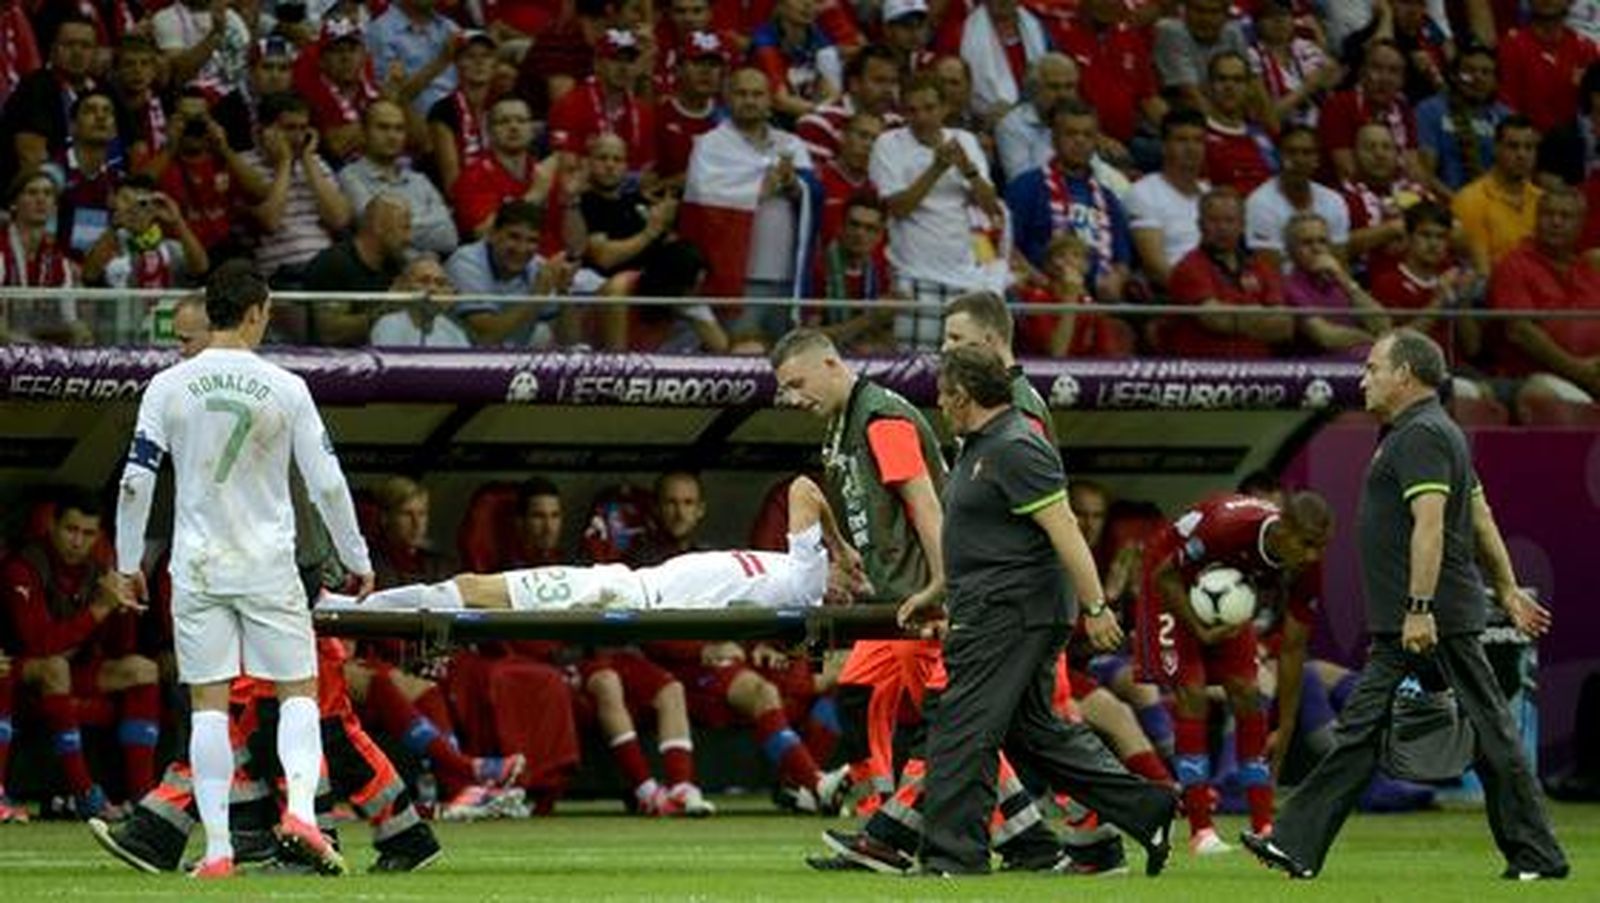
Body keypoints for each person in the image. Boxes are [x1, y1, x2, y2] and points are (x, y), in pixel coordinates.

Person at [1243, 328, 1570, 882]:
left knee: (1490, 733)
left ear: (1405, 375)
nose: (1363, 379)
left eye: (1373, 368)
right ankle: (1295, 844)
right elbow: (1482, 516)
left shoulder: (1423, 435)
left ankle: (1539, 856)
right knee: (1363, 731)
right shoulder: (1424, 432)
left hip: (1432, 618)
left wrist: (1421, 607)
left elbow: (1432, 525)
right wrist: (1507, 588)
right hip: (1412, 619)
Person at [113, 260, 375, 879]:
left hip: (197, 567)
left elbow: (135, 481)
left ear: (211, 312)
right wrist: (357, 556)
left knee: (207, 704)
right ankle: (302, 815)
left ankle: (217, 851)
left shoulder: (167, 386)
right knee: (297, 691)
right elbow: (327, 483)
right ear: (257, 313)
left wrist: (126, 562)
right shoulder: (286, 387)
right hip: (268, 566)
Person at [915, 345, 1178, 876]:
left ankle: (953, 857)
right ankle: (1147, 808)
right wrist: (934, 591)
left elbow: (1065, 529)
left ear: (962, 396)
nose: (938, 404)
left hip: (1008, 611)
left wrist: (1097, 606)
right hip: (1002, 607)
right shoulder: (983, 446)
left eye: (942, 394)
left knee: (961, 727)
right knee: (1033, 731)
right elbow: (977, 536)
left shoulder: (1015, 446)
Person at [770, 328, 946, 808]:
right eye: (786, 390)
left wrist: (942, 584)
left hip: (918, 597)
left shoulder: (880, 419)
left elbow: (926, 506)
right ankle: (881, 811)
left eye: (797, 384)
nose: (793, 399)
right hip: (889, 598)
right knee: (857, 691)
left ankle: (1011, 826)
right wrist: (848, 553)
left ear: (830, 365)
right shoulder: (841, 424)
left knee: (950, 724)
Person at [319, 476, 859, 614]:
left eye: (854, 592)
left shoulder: (808, 585)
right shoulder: (807, 568)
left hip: (625, 596)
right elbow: (803, 488)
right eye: (851, 583)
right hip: (626, 585)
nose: (848, 589)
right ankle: (349, 606)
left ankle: (346, 608)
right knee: (469, 589)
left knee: (472, 592)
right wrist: (841, 551)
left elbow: (803, 489)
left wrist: (837, 549)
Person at [1134, 488, 1331, 854]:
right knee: (1192, 692)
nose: (1312, 556)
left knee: (1247, 693)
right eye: (1306, 544)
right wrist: (1199, 629)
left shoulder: (1306, 565)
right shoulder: (1228, 529)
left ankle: (1264, 827)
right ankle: (1201, 831)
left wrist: (1287, 724)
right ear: (1283, 528)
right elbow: (1165, 574)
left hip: (1224, 589)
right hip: (1169, 579)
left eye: (1320, 546)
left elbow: (1293, 649)